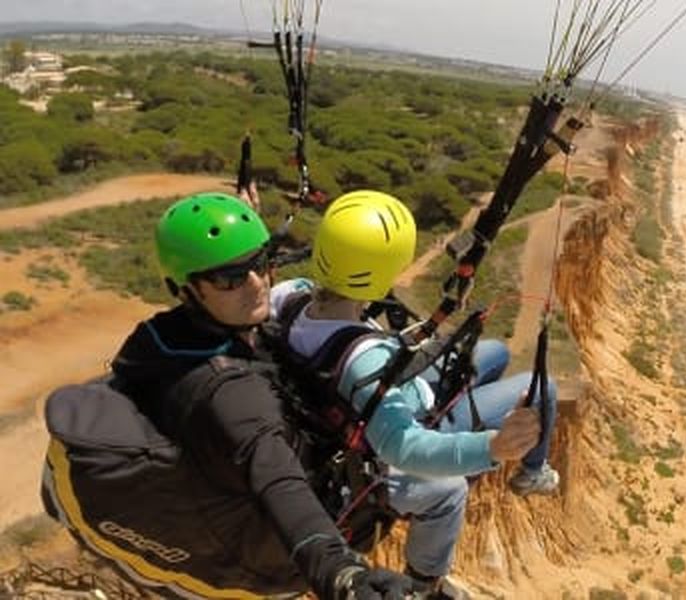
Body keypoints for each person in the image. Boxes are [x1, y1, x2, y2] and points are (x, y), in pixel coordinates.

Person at [88, 193, 412, 599]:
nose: (257, 284)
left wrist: (236, 234)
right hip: (252, 566)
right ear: (185, 289)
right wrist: (343, 575)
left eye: (260, 263)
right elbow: (280, 480)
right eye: (230, 277)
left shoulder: (160, 336)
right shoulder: (232, 395)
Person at [271, 190, 560, 598]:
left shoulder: (288, 295)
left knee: (493, 354)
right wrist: (492, 446)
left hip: (351, 396)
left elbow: (349, 338)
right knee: (542, 389)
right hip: (385, 433)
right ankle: (427, 583)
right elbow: (403, 447)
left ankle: (530, 470)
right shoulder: (365, 361)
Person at [236, 131, 261, 213]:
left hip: (245, 185)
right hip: (246, 185)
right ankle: (247, 142)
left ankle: (247, 142)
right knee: (246, 160)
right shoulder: (254, 202)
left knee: (246, 161)